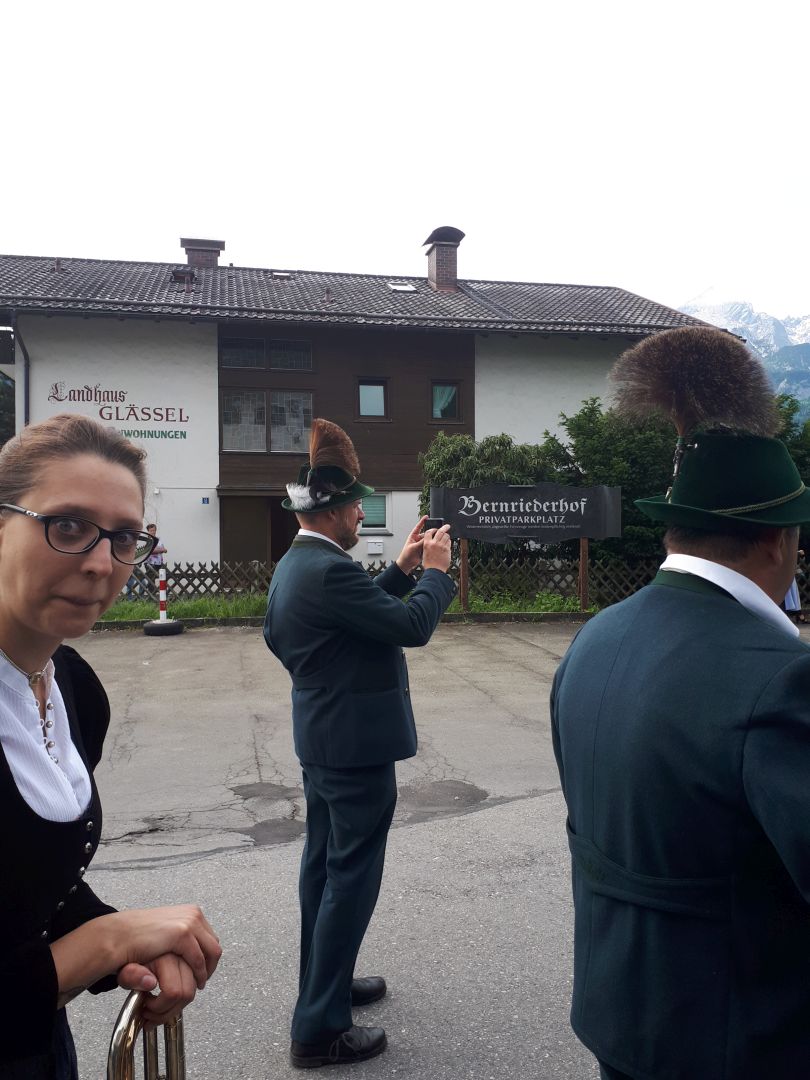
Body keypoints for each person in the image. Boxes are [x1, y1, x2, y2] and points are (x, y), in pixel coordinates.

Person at [551, 326, 810, 1080]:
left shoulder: (595, 638)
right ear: (777, 541)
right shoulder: (780, 679)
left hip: (619, 1018)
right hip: (740, 1042)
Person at [0, 414, 222, 1078]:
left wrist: (128, 944)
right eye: (68, 525)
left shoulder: (74, 687)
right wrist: (107, 941)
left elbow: (31, 889)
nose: (101, 564)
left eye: (124, 538)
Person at [263, 419, 455, 1069]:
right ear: (335, 511)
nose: (360, 517)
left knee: (323, 870)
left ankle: (326, 984)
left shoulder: (300, 565)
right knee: (351, 878)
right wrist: (435, 574)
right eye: (356, 509)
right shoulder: (327, 570)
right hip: (354, 748)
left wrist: (401, 567)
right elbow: (409, 626)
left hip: (325, 740)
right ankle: (319, 1030)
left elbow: (358, 616)